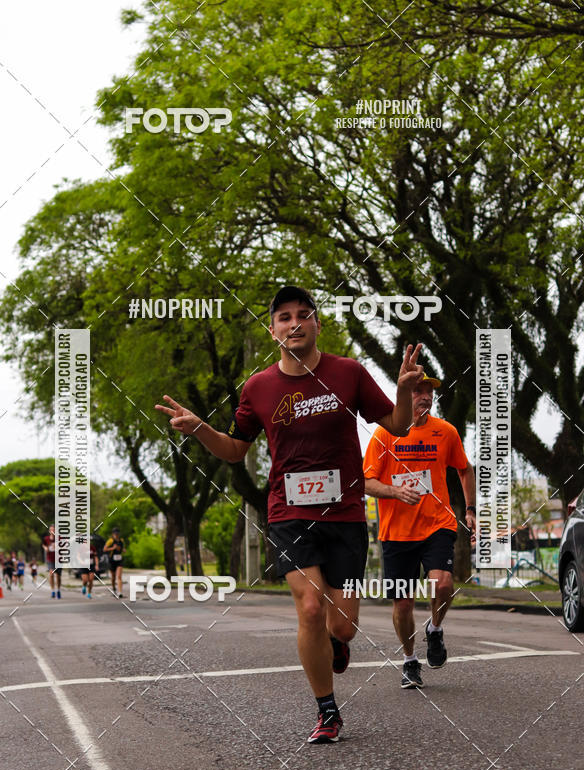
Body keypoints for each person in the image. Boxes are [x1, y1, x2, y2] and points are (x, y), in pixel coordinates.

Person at [156, 284, 424, 743]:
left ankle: (337, 643)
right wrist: (201, 428)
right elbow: (236, 451)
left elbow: (397, 426)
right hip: (288, 512)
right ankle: (327, 710)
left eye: (303, 314)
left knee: (342, 624)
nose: (294, 323)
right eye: (284, 317)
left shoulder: (349, 373)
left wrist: (402, 391)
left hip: (345, 514)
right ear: (273, 329)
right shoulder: (258, 387)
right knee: (311, 607)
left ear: (317, 324)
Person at [363, 375, 476, 689]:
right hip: (396, 532)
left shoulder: (445, 431)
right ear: (404, 395)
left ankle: (435, 629)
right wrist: (395, 491)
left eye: (429, 392)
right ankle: (410, 661)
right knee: (403, 605)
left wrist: (470, 509)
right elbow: (366, 481)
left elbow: (464, 468)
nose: (425, 397)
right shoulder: (385, 434)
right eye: (418, 391)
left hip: (437, 524)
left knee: (443, 584)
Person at [104, 527, 125, 598]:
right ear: (113, 534)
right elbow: (104, 549)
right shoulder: (110, 541)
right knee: (113, 577)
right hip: (112, 561)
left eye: (117, 534)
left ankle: (120, 592)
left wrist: (123, 550)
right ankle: (113, 588)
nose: (116, 535)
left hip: (119, 561)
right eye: (115, 534)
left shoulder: (121, 540)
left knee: (119, 576)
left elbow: (121, 548)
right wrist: (112, 548)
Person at [42, 524, 61, 599]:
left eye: (54, 530)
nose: (53, 531)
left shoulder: (59, 538)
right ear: (49, 531)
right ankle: (53, 590)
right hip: (50, 559)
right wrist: (45, 548)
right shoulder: (46, 539)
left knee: (58, 576)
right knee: (51, 574)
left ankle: (58, 590)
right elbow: (43, 545)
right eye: (51, 530)